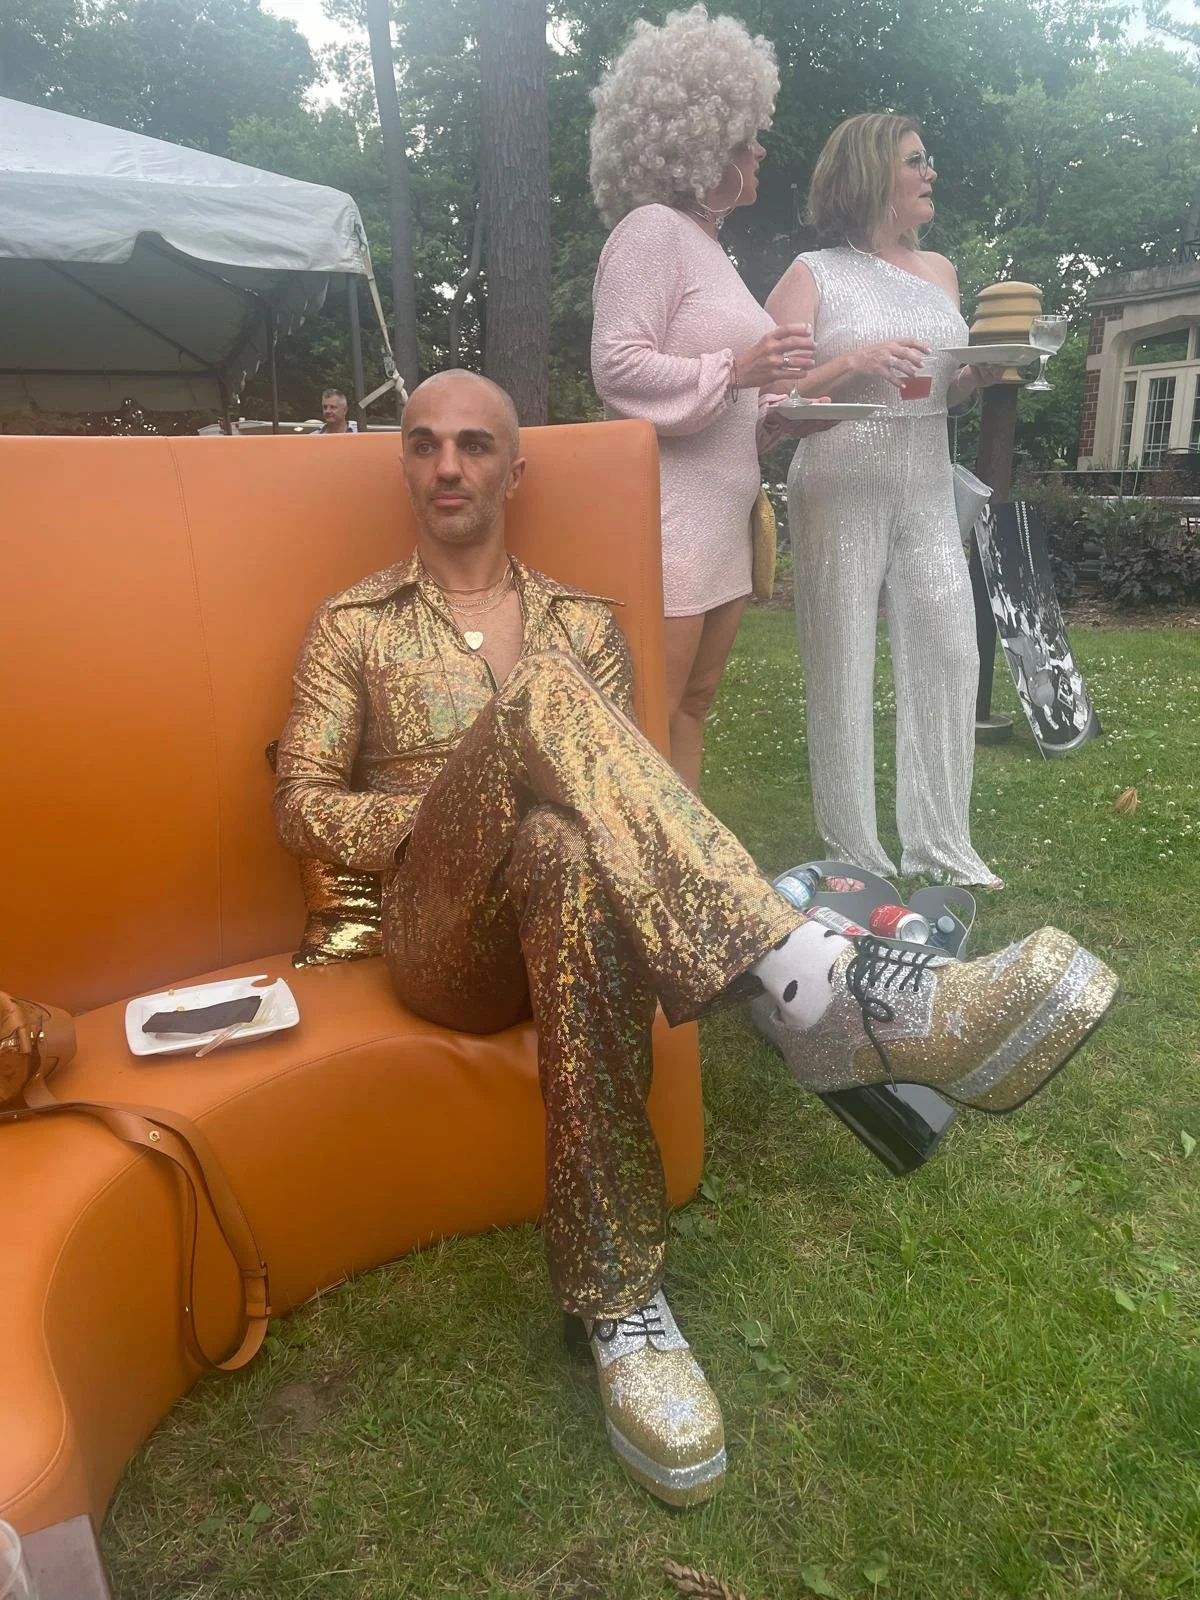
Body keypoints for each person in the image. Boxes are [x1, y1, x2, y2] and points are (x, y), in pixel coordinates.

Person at [273, 367, 1117, 1508]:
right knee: (544, 716)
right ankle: (833, 992)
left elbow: (621, 814)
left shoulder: (580, 622)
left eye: (474, 444)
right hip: (437, 934)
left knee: (572, 848)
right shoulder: (353, 624)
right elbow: (302, 804)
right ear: (405, 465)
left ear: (513, 468)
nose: (448, 466)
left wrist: (530, 792)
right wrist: (464, 798)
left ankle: (621, 1304)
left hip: (558, 909)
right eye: (422, 445)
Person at [765, 114, 1006, 887]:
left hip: (927, 479)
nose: (930, 172)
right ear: (872, 173)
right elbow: (770, 406)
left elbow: (947, 391)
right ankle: (854, 853)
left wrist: (979, 375)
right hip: (837, 481)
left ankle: (940, 844)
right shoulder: (811, 273)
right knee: (840, 662)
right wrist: (854, 360)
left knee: (950, 651)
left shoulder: (940, 271)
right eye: (915, 160)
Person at [589, 6, 823, 790]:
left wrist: (779, 411)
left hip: (721, 526)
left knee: (693, 704)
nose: (758, 149)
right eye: (746, 135)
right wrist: (735, 368)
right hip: (671, 528)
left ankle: (687, 874)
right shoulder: (650, 229)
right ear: (701, 143)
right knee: (648, 715)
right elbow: (616, 366)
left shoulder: (712, 251)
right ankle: (639, 883)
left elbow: (727, 398)